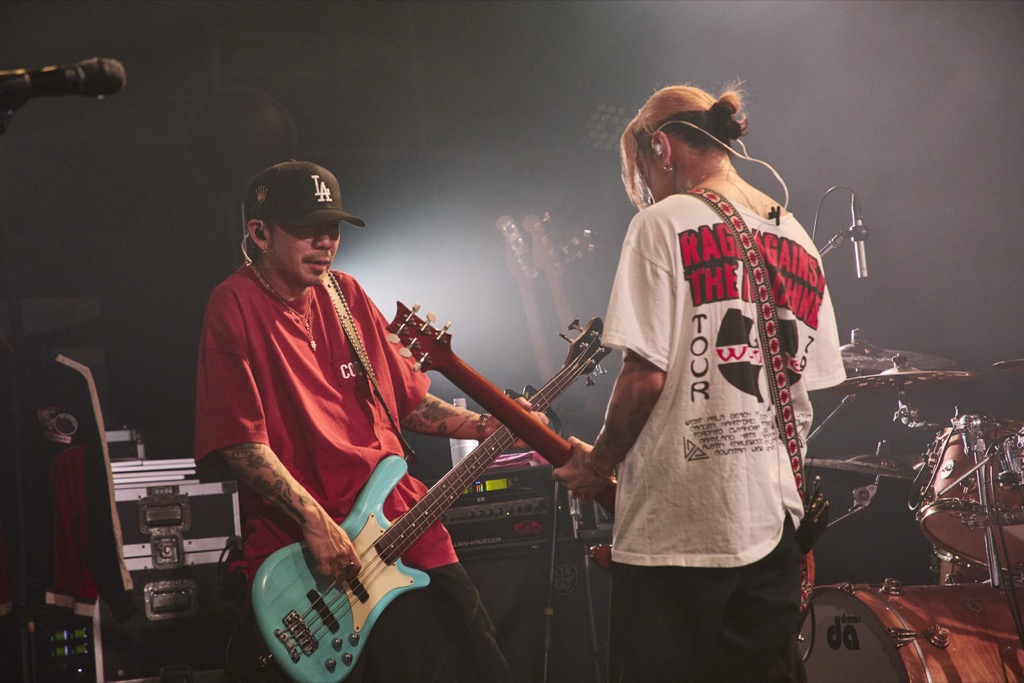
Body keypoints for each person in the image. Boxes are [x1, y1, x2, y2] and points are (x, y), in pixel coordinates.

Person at [195, 159, 537, 681]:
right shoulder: (233, 303)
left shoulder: (347, 294)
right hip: (309, 556)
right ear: (260, 233)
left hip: (402, 527)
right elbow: (239, 443)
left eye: (333, 229)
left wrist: (487, 426)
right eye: (307, 229)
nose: (325, 242)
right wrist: (316, 522)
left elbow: (408, 403)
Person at [552, 85, 846, 681]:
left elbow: (644, 378)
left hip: (679, 527)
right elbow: (803, 387)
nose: (647, 188)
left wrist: (599, 464)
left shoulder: (661, 223)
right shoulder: (793, 232)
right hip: (775, 526)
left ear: (661, 147)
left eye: (642, 170)